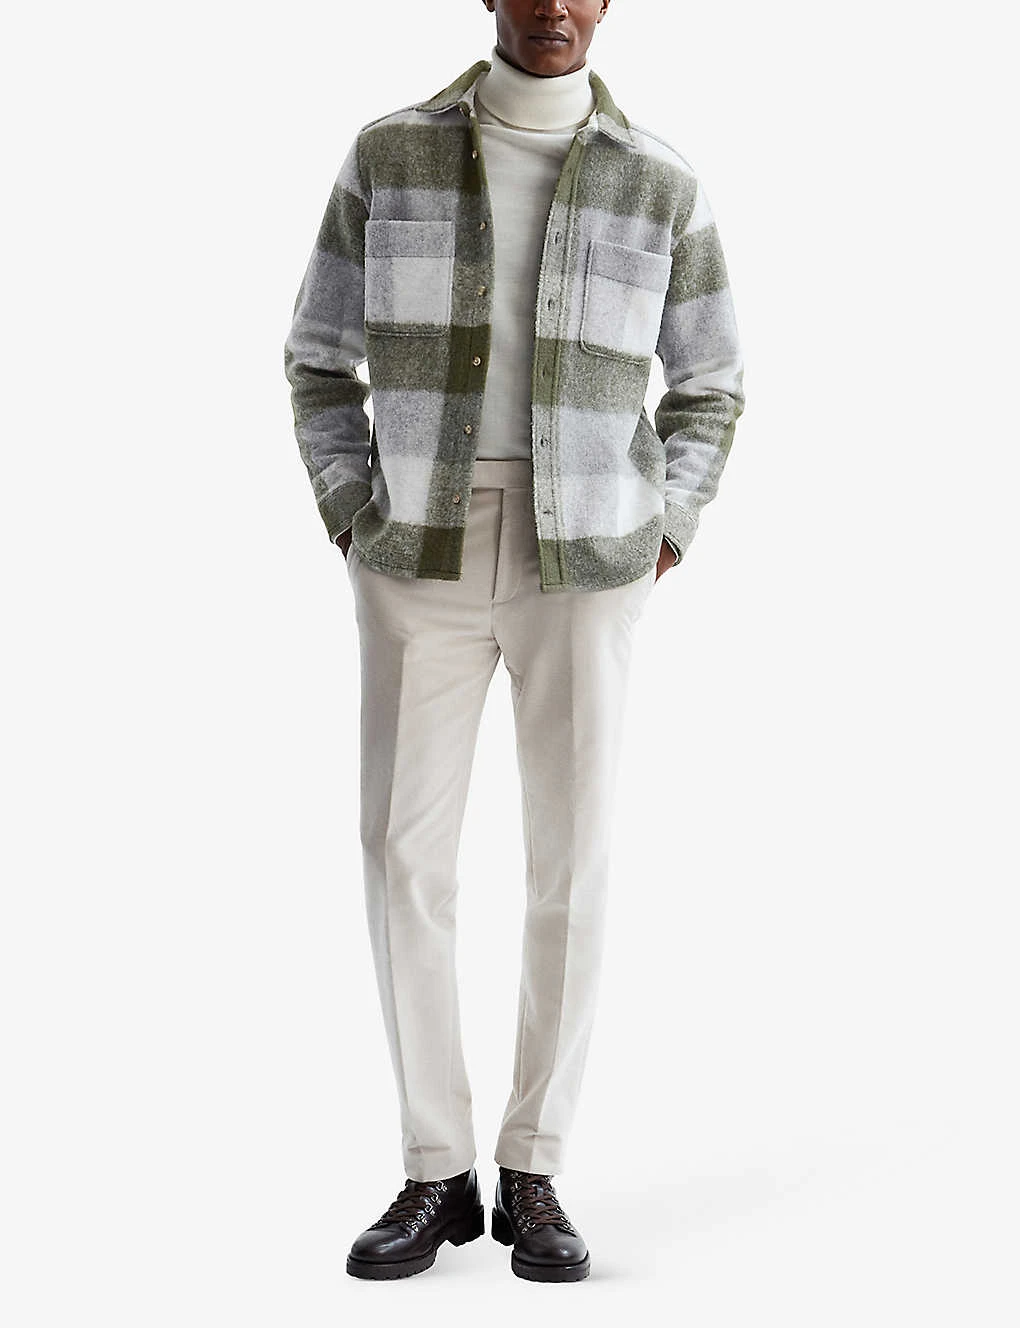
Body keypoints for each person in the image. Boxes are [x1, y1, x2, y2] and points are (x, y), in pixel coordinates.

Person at [283, 0, 745, 1283]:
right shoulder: (390, 153)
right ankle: (436, 1168)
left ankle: (534, 1165)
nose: (554, 4)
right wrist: (351, 508)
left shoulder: (659, 180)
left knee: (570, 859)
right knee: (401, 852)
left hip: (586, 552)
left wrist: (668, 523)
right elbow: (317, 359)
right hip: (417, 544)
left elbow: (712, 382)